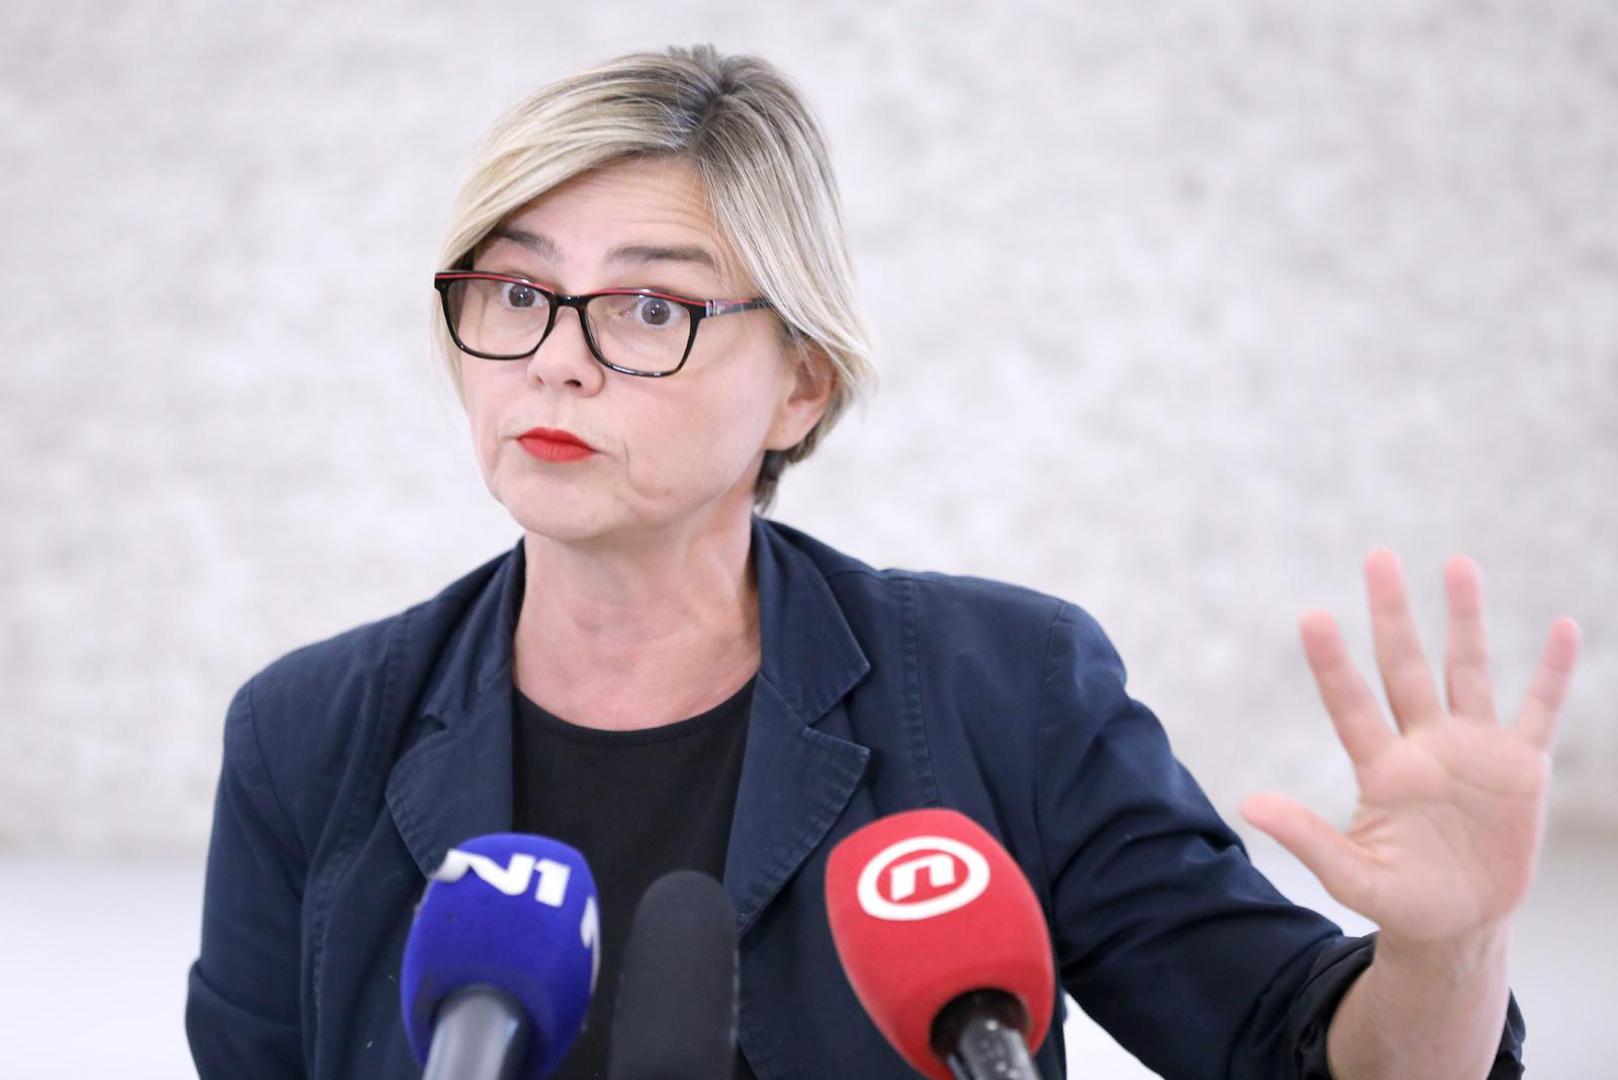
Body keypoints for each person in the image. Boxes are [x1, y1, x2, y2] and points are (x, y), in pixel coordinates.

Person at [185, 45, 1581, 1079]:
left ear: (799, 385)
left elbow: (1298, 1053)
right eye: (515, 290)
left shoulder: (1002, 693)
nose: (557, 357)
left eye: (649, 307)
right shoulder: (310, 736)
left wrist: (1448, 948)